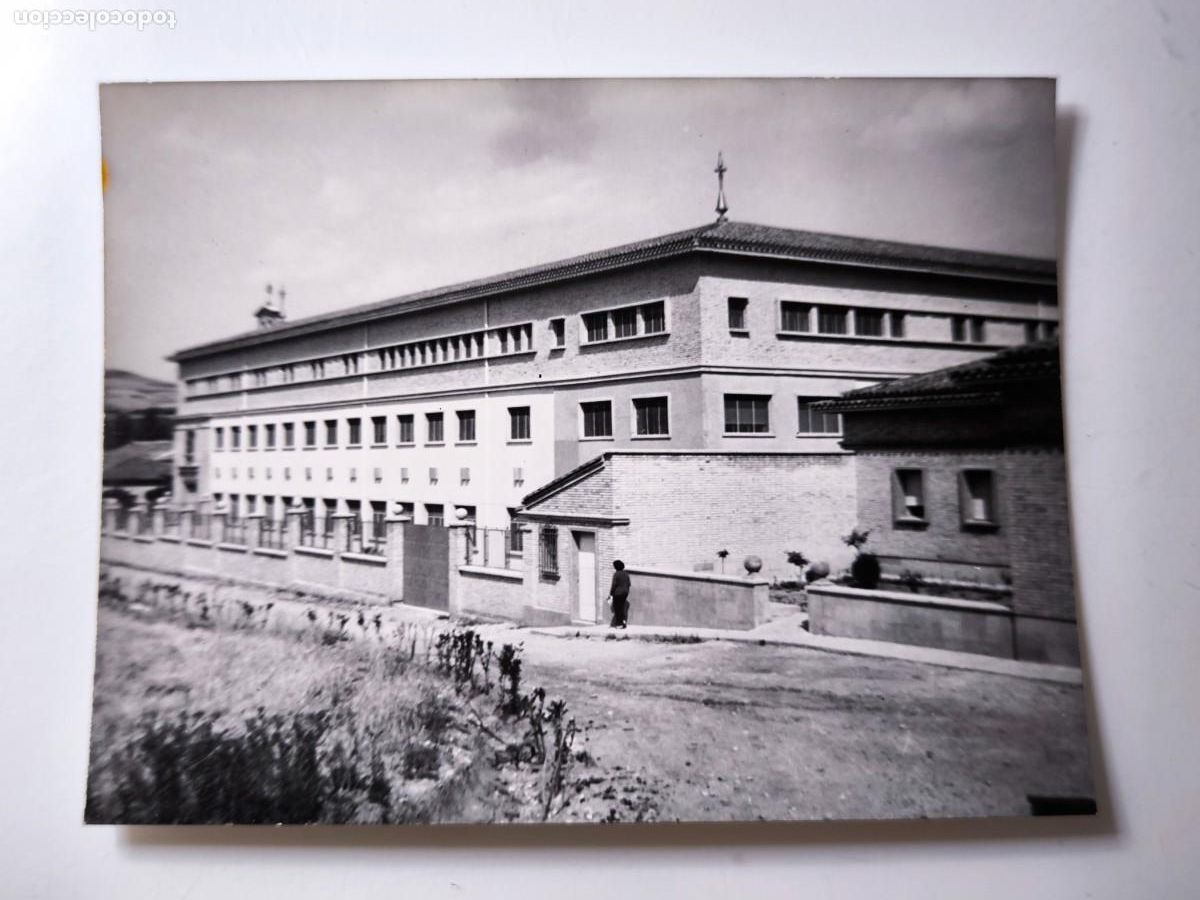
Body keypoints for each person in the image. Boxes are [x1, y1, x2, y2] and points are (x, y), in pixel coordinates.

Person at [607, 559, 631, 628]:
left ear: (616, 567)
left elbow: (614, 585)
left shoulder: (616, 574)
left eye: (614, 566)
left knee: (618, 609)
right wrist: (626, 592)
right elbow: (629, 584)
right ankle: (623, 622)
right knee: (622, 608)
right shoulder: (626, 574)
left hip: (617, 593)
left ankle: (620, 624)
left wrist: (610, 594)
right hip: (625, 593)